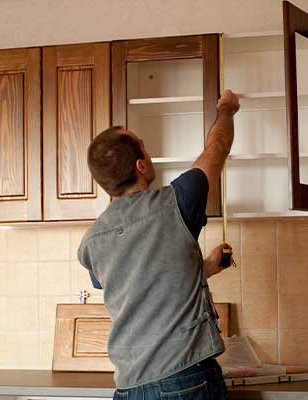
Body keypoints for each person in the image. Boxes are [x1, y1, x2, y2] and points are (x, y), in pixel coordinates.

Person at [77, 89, 241, 400]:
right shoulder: (176, 203)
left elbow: (142, 284)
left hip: (129, 390)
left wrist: (204, 268)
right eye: (144, 147)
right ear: (140, 166)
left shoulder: (92, 241)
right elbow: (216, 149)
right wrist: (227, 110)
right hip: (185, 381)